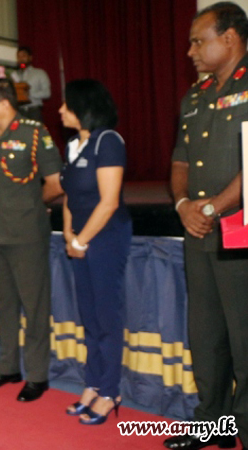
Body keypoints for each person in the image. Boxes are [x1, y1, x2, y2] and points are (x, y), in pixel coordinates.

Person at [166, 2, 248, 448]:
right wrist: (183, 205)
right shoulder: (195, 96)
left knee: (244, 336)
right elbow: (180, 159)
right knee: (206, 334)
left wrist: (214, 207)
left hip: (241, 229)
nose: (191, 52)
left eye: (199, 41)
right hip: (199, 231)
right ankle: (213, 424)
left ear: (230, 39)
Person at [0, 78, 63, 401]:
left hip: (26, 233)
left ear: (3, 104)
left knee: (34, 306)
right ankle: (8, 367)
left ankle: (37, 375)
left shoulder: (33, 132)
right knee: (3, 304)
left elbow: (55, 183)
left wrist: (32, 205)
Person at [58, 79, 132, 425]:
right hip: (81, 238)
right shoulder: (73, 144)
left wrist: (80, 241)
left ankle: (110, 391)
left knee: (106, 316)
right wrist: (68, 233)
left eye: (67, 104)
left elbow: (109, 202)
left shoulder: (108, 141)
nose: (60, 110)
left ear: (84, 107)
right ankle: (93, 383)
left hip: (106, 237)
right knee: (89, 316)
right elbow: (70, 196)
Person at [11, 46, 51, 122]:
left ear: (30, 58)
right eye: (19, 57)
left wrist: (30, 94)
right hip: (19, 112)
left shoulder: (39, 73)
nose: (21, 59)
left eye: (23, 56)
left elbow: (47, 93)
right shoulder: (14, 75)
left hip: (34, 111)